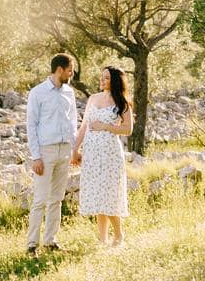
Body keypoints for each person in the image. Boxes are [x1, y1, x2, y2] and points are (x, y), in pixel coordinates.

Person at [71, 65, 134, 246]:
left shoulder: (121, 101)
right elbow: (84, 126)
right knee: (97, 193)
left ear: (114, 81)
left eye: (106, 78)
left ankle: (119, 235)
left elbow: (128, 129)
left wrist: (106, 126)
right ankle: (103, 238)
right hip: (91, 153)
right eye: (102, 77)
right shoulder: (93, 98)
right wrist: (76, 149)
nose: (102, 80)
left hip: (110, 154)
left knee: (109, 193)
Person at [25, 53, 78, 254]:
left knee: (57, 198)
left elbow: (73, 123)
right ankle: (32, 245)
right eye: (70, 69)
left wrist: (75, 149)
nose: (72, 73)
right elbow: (31, 125)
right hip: (45, 152)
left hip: (64, 150)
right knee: (40, 199)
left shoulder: (69, 93)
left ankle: (50, 241)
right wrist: (36, 156)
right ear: (59, 70)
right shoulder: (37, 93)